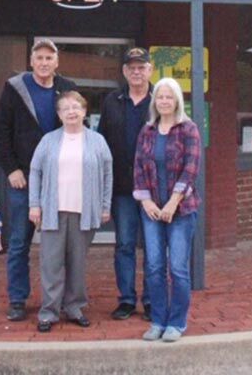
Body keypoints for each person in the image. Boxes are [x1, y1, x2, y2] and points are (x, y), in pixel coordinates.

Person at [0, 39, 76, 322]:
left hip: (60, 179)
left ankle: (62, 300)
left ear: (57, 62)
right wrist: (11, 169)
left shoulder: (67, 87)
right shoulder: (15, 88)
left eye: (48, 58)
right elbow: (0, 132)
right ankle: (17, 299)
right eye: (39, 57)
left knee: (62, 245)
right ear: (31, 61)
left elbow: (78, 128)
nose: (43, 63)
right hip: (23, 180)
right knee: (19, 243)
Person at [28, 91, 113, 332]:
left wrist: (105, 206)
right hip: (53, 212)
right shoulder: (48, 140)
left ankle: (74, 307)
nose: (71, 112)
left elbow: (108, 175)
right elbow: (35, 171)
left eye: (76, 107)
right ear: (59, 114)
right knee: (51, 264)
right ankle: (49, 311)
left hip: (84, 212)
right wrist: (35, 204)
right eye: (65, 108)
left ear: (85, 112)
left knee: (77, 263)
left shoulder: (98, 141)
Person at [132, 77, 202, 342]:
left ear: (177, 101)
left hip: (181, 211)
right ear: (154, 101)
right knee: (153, 266)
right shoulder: (147, 131)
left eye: (168, 97)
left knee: (178, 268)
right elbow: (138, 167)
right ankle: (158, 320)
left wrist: (173, 202)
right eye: (159, 97)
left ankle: (177, 322)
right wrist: (147, 201)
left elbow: (191, 168)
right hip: (151, 211)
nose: (163, 101)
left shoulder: (189, 129)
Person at [98, 47, 153, 321]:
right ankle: (127, 300)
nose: (136, 71)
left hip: (155, 190)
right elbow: (101, 142)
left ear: (150, 70)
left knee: (154, 246)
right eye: (131, 67)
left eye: (141, 66)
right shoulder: (112, 101)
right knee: (125, 245)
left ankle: (152, 300)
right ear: (124, 71)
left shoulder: (161, 100)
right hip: (122, 188)